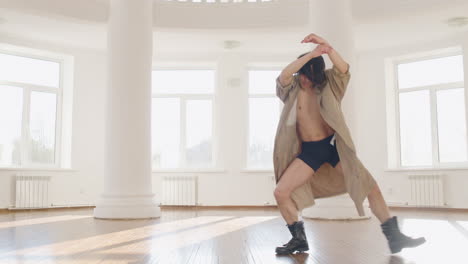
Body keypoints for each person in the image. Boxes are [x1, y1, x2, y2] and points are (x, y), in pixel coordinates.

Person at [272, 33, 426, 255]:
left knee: (370, 186)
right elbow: (285, 74)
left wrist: (328, 49)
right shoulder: (293, 87)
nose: (304, 80)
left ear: (317, 76)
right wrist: (312, 54)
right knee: (280, 192)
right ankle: (298, 239)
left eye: (308, 76)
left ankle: (394, 237)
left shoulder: (329, 85)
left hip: (333, 148)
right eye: (302, 74)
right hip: (310, 152)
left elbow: (343, 68)